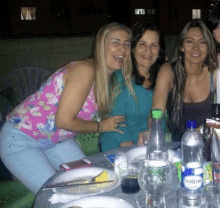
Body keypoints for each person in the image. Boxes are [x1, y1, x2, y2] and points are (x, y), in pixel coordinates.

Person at [0, 22, 135, 194]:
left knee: (91, 185)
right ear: (101, 45)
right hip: (21, 139)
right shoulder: (85, 70)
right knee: (55, 194)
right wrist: (101, 126)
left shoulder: (108, 79)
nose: (122, 49)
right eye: (116, 42)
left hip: (56, 140)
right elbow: (64, 120)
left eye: (127, 44)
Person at [101, 20, 166, 152]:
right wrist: (135, 153)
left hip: (151, 148)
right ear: (133, 48)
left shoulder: (163, 78)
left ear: (159, 50)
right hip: (119, 149)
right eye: (142, 44)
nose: (148, 50)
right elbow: (117, 125)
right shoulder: (119, 78)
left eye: (154, 45)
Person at [151, 19, 218, 142]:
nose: (196, 48)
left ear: (208, 47)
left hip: (210, 151)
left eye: (202, 42)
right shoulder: (168, 71)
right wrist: (152, 133)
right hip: (176, 151)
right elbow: (156, 113)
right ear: (181, 46)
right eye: (189, 42)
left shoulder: (214, 73)